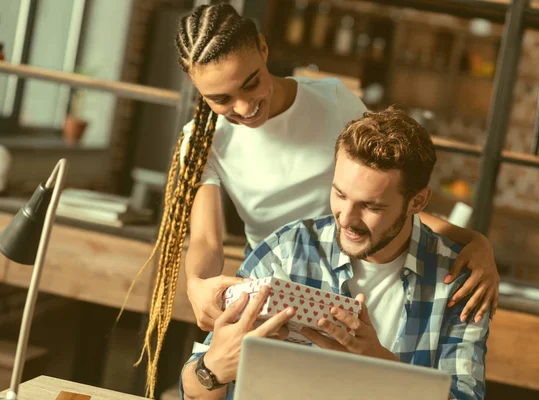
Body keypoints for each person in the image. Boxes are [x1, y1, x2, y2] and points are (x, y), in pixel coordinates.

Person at [132, 3, 498, 395]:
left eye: (251, 83)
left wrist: (472, 241)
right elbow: (206, 240)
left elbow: (384, 185)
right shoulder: (204, 141)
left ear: (263, 48)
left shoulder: (332, 101)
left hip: (360, 256)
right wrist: (197, 285)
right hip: (278, 273)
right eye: (220, 98)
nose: (243, 107)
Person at [180, 106, 490, 400]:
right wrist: (212, 369)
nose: (346, 218)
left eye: (371, 206)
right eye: (340, 194)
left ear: (417, 202)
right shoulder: (287, 251)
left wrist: (376, 362)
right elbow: (196, 386)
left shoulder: (458, 282)